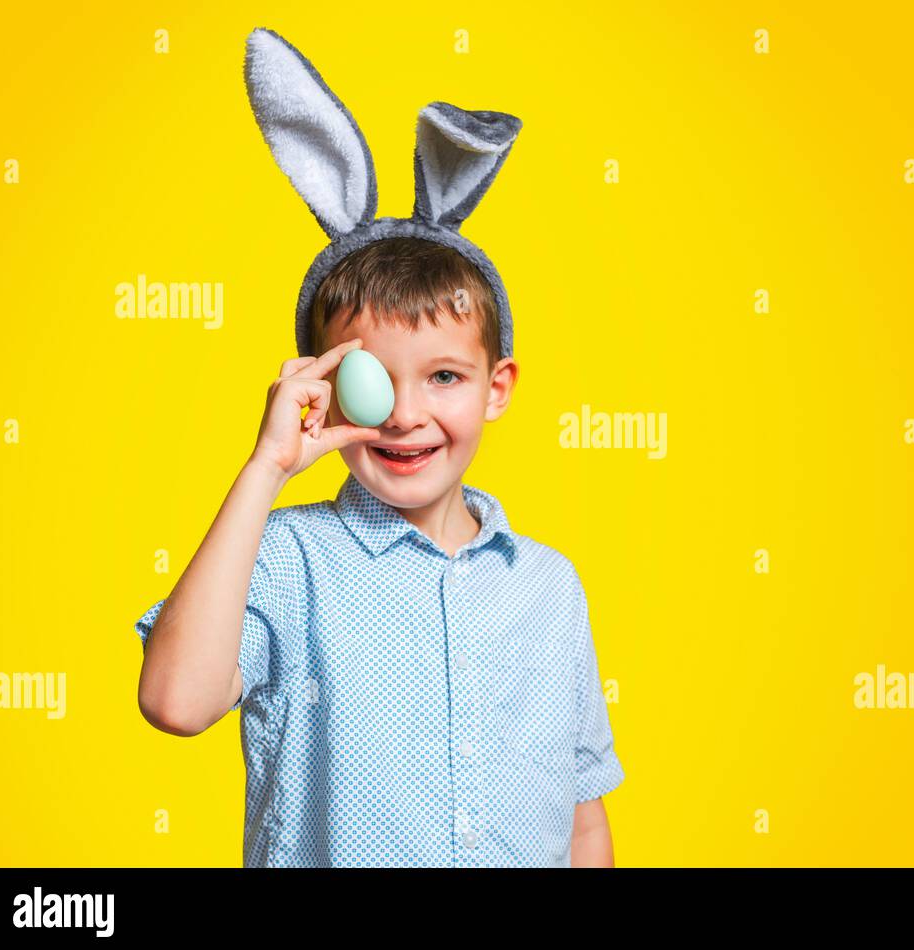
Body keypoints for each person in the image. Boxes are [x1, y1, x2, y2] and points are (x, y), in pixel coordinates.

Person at [132, 235, 625, 866]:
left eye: (444, 376)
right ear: (322, 386)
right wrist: (268, 466)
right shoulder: (288, 557)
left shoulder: (548, 585)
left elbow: (582, 816)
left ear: (496, 388)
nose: (405, 416)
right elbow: (176, 702)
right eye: (374, 381)